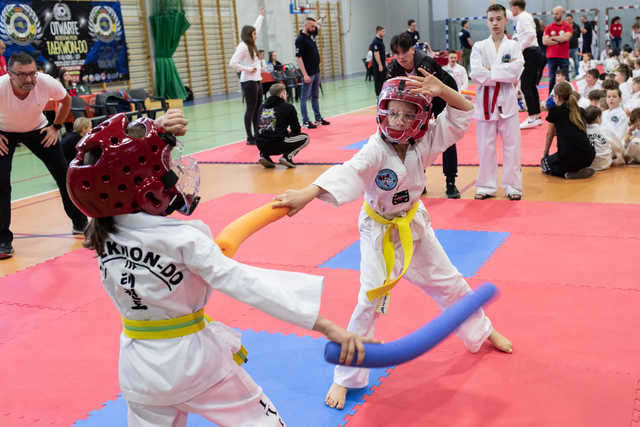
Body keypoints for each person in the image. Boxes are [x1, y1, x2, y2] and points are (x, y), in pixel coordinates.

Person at [66, 109, 376, 426]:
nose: (174, 172)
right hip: (196, 367)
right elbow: (244, 282)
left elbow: (109, 169)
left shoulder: (103, 231)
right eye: (167, 167)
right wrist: (325, 325)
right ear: (142, 185)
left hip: (138, 371)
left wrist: (156, 130)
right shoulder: (184, 240)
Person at [273, 73, 512, 411]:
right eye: (393, 113)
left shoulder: (426, 139)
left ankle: (483, 331)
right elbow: (348, 172)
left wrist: (444, 90)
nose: (399, 120)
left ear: (421, 117)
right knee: (367, 301)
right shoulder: (375, 149)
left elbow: (462, 113)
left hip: (413, 222)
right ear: (382, 112)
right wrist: (308, 193)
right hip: (379, 230)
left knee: (450, 281)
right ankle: (345, 377)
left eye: (407, 114)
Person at [0, 52, 88, 259]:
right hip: (4, 132)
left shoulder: (46, 82)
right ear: (9, 73)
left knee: (64, 174)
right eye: (22, 75)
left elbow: (66, 100)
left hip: (38, 129)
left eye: (32, 73)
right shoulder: (1, 87)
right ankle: (3, 239)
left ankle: (79, 222)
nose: (29, 79)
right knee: (1, 183)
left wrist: (56, 126)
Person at [387, 32, 462, 198]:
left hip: (442, 96)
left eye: (404, 52)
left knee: (446, 138)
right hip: (415, 102)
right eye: (396, 53)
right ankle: (418, 180)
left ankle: (451, 181)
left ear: (412, 50)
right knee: (413, 139)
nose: (401, 57)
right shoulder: (393, 68)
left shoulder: (426, 64)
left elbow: (437, 92)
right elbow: (386, 93)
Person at [470, 3, 525, 200]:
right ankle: (486, 186)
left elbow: (516, 71)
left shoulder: (514, 46)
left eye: (499, 19)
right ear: (487, 22)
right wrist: (502, 71)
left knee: (512, 146)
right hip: (485, 102)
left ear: (505, 20)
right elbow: (476, 73)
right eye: (491, 19)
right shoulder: (479, 46)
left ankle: (513, 186)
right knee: (486, 146)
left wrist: (490, 71)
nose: (495, 23)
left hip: (507, 102)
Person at [496, 0, 545, 130]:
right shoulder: (522, 17)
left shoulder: (524, 18)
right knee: (530, 85)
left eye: (511, 8)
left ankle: (532, 117)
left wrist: (519, 48)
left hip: (530, 52)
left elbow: (530, 35)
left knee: (526, 85)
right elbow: (508, 14)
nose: (510, 11)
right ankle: (536, 116)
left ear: (516, 7)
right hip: (532, 51)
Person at [542, 82, 596, 179]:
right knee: (570, 153)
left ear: (557, 97)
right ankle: (579, 170)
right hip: (589, 156)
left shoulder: (554, 111)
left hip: (568, 159)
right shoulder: (581, 110)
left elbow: (549, 134)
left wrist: (545, 153)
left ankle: (571, 173)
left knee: (544, 164)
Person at [229, 7, 265, 145]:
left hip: (257, 81)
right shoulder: (243, 46)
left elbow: (257, 27)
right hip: (248, 82)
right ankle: (250, 137)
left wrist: (261, 16)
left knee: (258, 108)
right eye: (254, 34)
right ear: (249, 35)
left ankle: (257, 133)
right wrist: (247, 69)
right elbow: (232, 63)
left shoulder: (252, 43)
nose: (257, 35)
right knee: (250, 109)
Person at [256, 83, 309, 169]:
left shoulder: (262, 107)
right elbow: (296, 129)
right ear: (282, 94)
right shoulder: (288, 107)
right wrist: (289, 133)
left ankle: (264, 156)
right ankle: (287, 157)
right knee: (305, 138)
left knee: (266, 133)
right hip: (277, 144)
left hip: (260, 144)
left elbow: (260, 126)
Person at [296, 15, 331, 129]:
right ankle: (306, 121)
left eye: (313, 26)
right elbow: (299, 58)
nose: (313, 28)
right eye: (311, 26)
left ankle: (318, 118)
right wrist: (305, 74)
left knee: (315, 96)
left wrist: (322, 18)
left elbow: (318, 25)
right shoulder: (300, 39)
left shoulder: (312, 33)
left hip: (316, 71)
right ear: (305, 25)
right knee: (304, 98)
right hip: (308, 73)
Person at [543, 6, 572, 93]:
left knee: (565, 78)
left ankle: (568, 96)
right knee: (552, 78)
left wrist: (552, 38)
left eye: (557, 13)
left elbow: (567, 37)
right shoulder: (549, 27)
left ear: (562, 13)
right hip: (551, 56)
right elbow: (545, 41)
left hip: (564, 56)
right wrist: (560, 40)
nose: (555, 15)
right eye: (554, 14)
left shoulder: (567, 26)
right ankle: (551, 98)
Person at [601, 87, 628, 164]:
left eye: (614, 96)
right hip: (605, 143)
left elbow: (619, 135)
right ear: (606, 99)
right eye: (608, 97)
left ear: (620, 99)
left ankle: (618, 157)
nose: (611, 99)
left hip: (616, 145)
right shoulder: (603, 113)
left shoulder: (622, 114)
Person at [584, 106, 613, 171]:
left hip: (588, 164)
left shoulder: (582, 130)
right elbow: (618, 146)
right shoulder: (605, 129)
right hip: (605, 163)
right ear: (598, 117)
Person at [370, 26, 387, 96]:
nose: (384, 33)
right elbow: (376, 54)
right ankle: (378, 95)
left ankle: (383, 94)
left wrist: (384, 62)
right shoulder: (375, 41)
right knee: (378, 81)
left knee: (383, 79)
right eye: (383, 31)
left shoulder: (380, 40)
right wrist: (380, 64)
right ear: (378, 31)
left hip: (382, 63)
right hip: (377, 65)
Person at [566, 14, 581, 78]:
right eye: (567, 20)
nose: (568, 21)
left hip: (575, 47)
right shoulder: (565, 26)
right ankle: (567, 74)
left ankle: (577, 74)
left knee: (576, 62)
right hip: (566, 47)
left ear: (572, 19)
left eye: (569, 19)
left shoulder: (576, 26)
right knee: (566, 62)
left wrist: (572, 31)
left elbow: (578, 35)